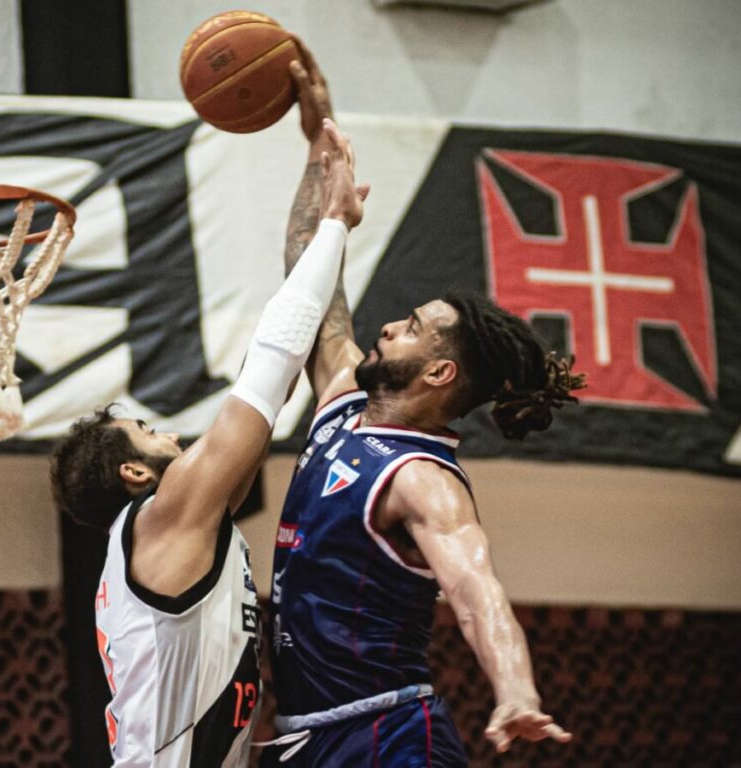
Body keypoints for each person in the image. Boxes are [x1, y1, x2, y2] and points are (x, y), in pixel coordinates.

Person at [260, 44, 583, 766]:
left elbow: (474, 587)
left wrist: (516, 689)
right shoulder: (343, 401)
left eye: (408, 327)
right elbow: (307, 272)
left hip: (388, 734)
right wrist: (319, 142)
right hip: (309, 734)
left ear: (439, 372)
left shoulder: (421, 479)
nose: (386, 326)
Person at [50, 115, 369, 767]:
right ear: (136, 475)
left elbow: (288, 357)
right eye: (147, 432)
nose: (167, 432)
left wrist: (315, 168)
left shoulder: (179, 533)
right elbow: (272, 361)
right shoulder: (163, 515)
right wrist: (334, 223)